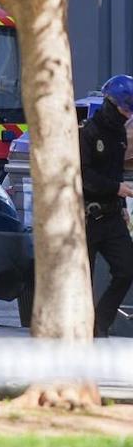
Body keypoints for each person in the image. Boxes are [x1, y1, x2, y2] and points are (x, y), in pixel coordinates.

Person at [79, 74, 133, 338]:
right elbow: (84, 175)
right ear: (113, 103)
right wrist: (116, 189)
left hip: (112, 214)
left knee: (126, 269)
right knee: (83, 280)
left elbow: (115, 172)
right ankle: (84, 329)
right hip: (88, 215)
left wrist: (121, 203)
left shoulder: (120, 132)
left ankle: (101, 321)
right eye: (126, 107)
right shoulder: (90, 132)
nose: (128, 113)